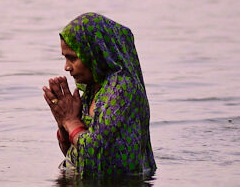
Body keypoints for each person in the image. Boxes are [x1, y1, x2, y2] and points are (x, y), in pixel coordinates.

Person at [42, 12, 156, 178]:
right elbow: (74, 153)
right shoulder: (92, 90)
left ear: (95, 53)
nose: (66, 67)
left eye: (72, 58)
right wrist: (62, 122)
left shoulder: (121, 90)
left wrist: (70, 120)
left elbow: (94, 153)